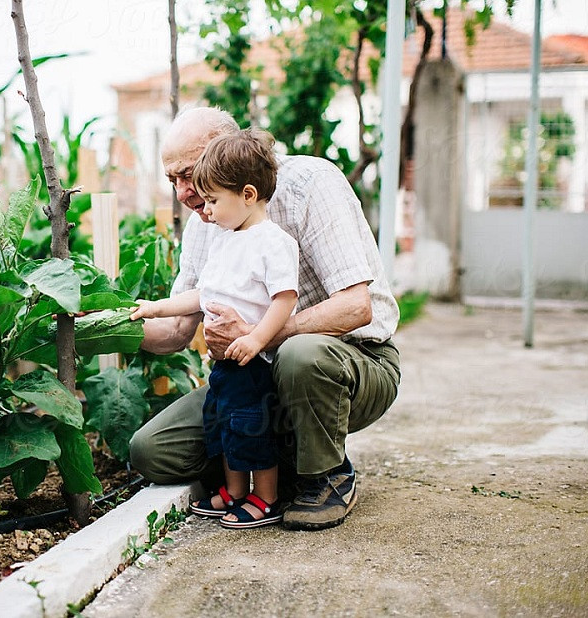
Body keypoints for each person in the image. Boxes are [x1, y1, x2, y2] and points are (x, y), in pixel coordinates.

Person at [129, 107, 401, 531]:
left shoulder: (310, 184)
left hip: (352, 363)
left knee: (300, 355)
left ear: (225, 152)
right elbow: (177, 329)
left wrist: (259, 336)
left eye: (188, 174)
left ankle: (326, 476)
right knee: (152, 451)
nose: (182, 193)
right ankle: (273, 463)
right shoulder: (206, 221)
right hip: (254, 374)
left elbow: (355, 307)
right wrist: (107, 322)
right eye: (172, 181)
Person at [130, 128, 298, 529]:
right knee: (222, 427)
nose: (205, 211)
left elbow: (285, 299)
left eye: (213, 201)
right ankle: (235, 491)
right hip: (223, 364)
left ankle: (267, 497)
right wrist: (154, 308)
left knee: (252, 429)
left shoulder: (273, 242)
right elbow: (202, 295)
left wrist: (256, 338)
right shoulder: (225, 238)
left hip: (254, 362)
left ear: (248, 195)